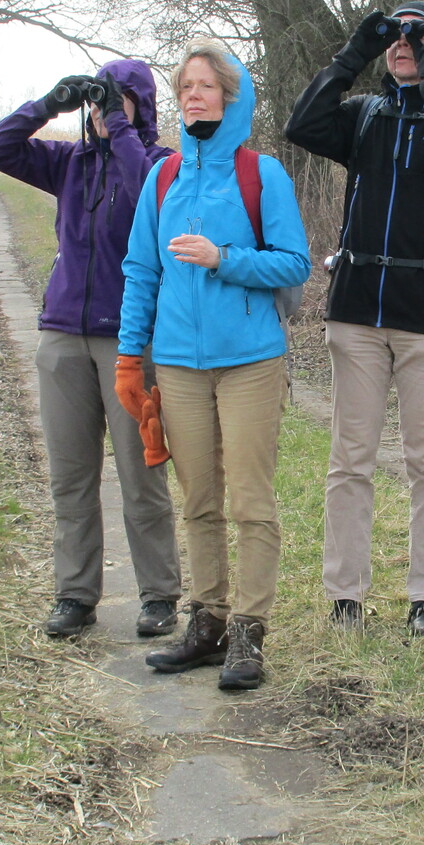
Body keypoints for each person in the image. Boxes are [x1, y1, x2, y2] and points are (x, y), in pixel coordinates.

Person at [284, 2, 424, 636]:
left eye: (418, 39)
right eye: (397, 39)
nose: (403, 46)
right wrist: (355, 53)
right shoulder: (365, 117)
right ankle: (345, 594)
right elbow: (302, 125)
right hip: (358, 310)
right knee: (352, 457)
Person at [115, 38, 310, 691]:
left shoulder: (262, 174)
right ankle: (207, 623)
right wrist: (128, 358)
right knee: (198, 500)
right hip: (176, 365)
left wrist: (224, 257)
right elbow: (141, 270)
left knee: (250, 501)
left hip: (250, 361)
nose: (192, 94)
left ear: (230, 93)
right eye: (184, 86)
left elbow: (294, 264)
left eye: (204, 84)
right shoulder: (162, 177)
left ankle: (249, 635)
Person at [0, 60, 182, 641]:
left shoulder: (162, 165)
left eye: (117, 101)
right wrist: (49, 104)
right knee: (70, 475)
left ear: (139, 105)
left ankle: (159, 595)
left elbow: (149, 194)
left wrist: (119, 126)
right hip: (63, 333)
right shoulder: (69, 163)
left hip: (129, 340)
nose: (101, 111)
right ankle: (75, 594)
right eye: (97, 102)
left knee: (141, 475)